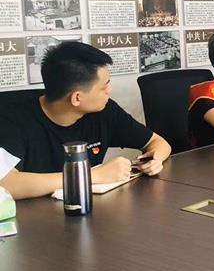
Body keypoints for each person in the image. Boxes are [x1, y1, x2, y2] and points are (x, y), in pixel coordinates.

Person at [0, 42, 172, 200]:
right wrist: (91, 176)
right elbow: (6, 184)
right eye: (104, 86)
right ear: (77, 98)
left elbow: (158, 142)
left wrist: (155, 159)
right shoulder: (13, 120)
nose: (109, 91)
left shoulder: (104, 111)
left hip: (89, 210)